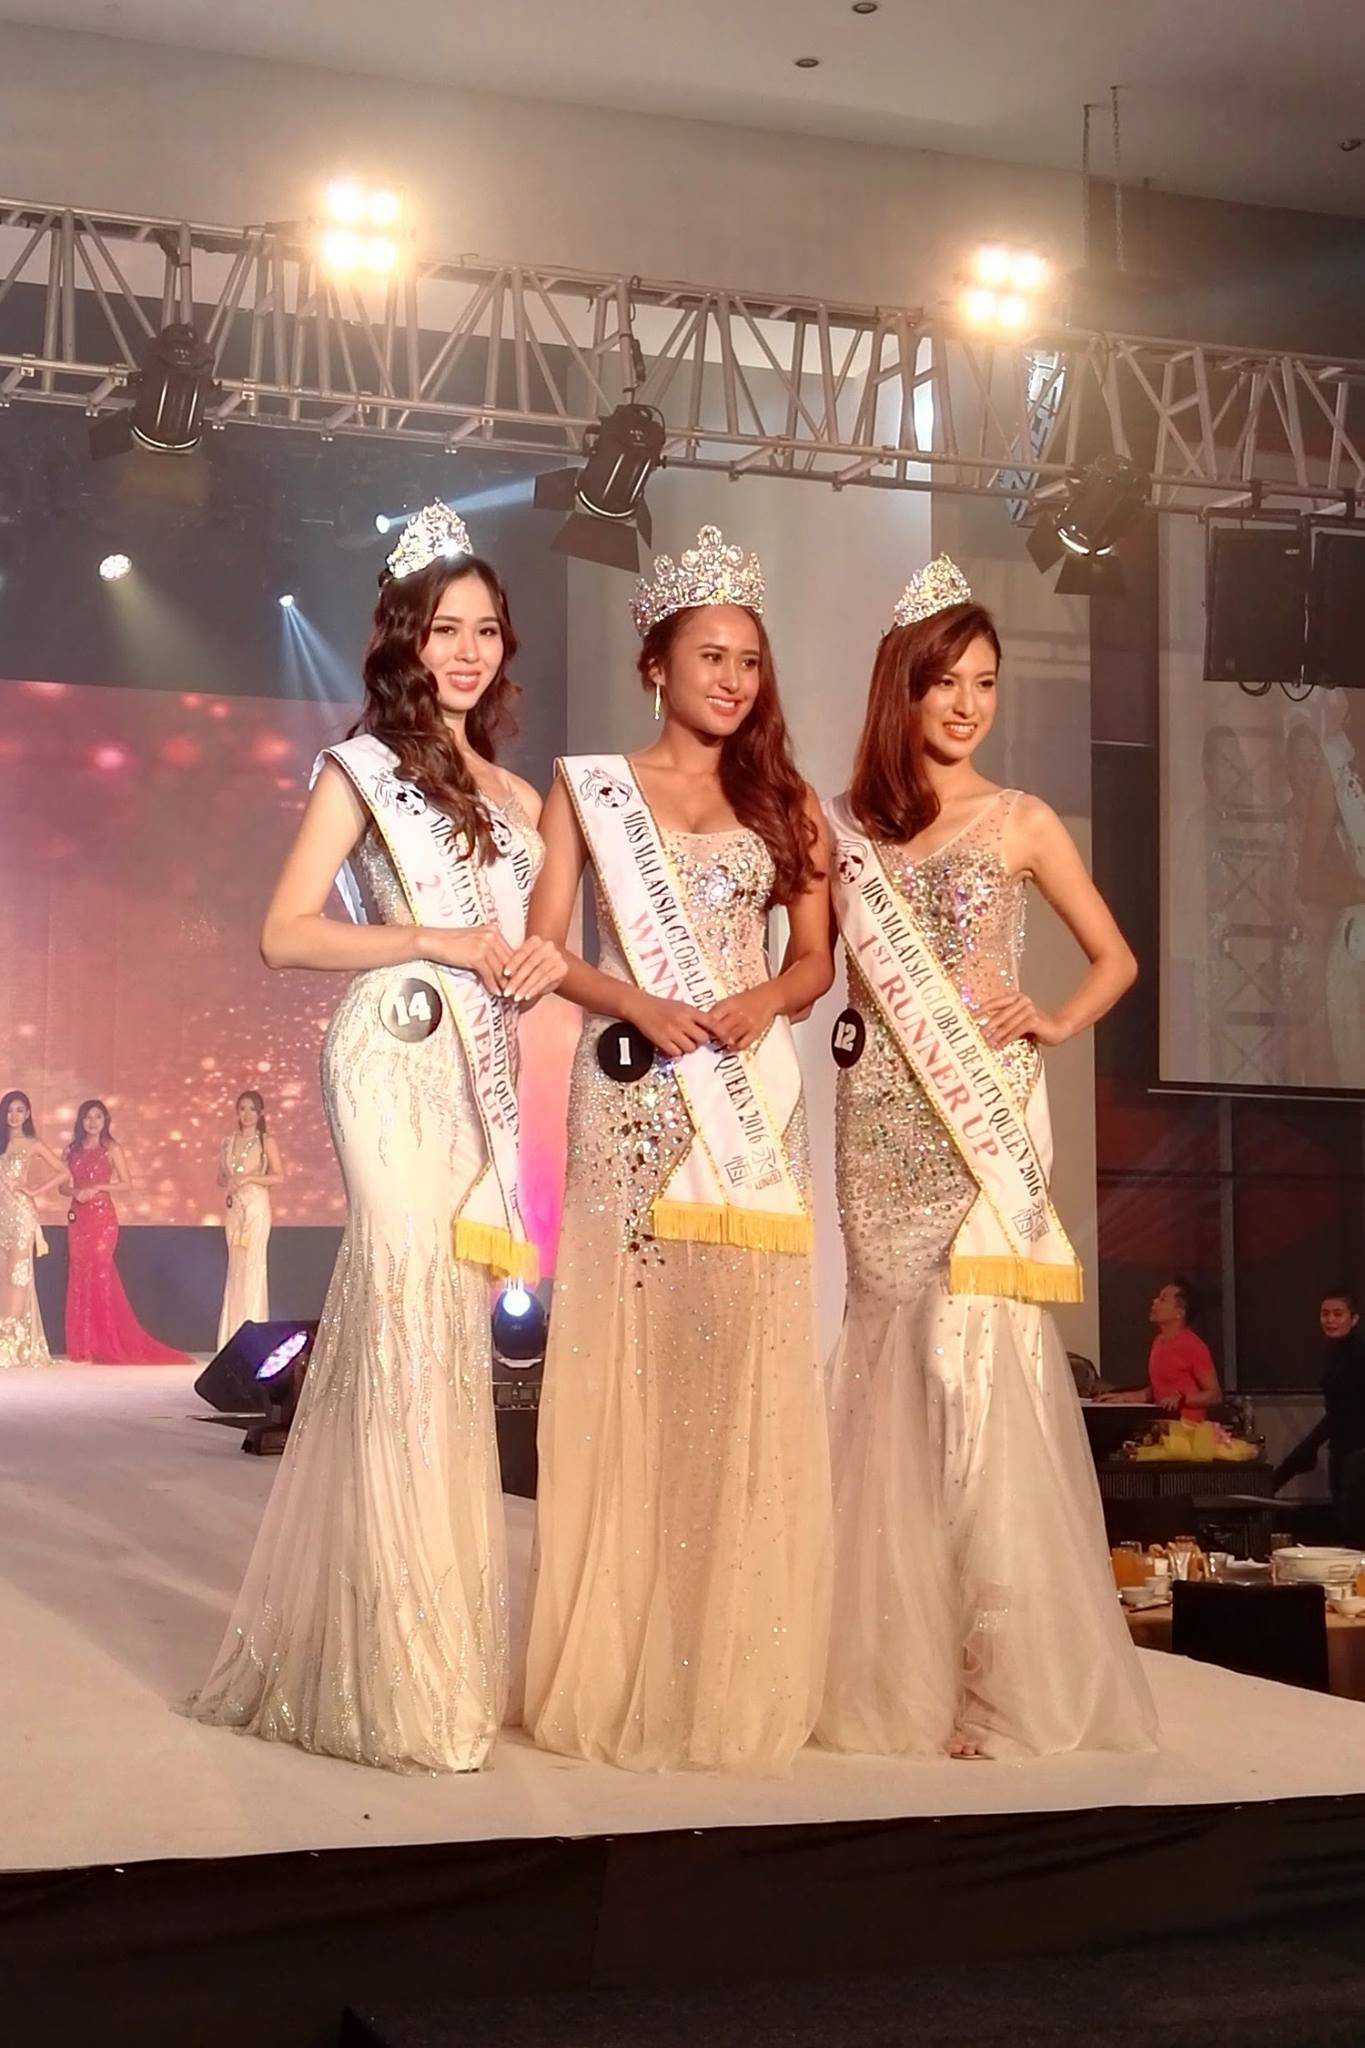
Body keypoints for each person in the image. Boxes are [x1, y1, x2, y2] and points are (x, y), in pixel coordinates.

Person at [191, 503, 563, 1775]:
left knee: (447, 1336)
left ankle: (429, 1643)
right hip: (392, 1051)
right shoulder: (363, 769)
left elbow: (532, 950)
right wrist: (432, 936)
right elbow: (285, 932)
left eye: (486, 629)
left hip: (479, 1076)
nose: (468, 650)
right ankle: (390, 1664)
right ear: (406, 639)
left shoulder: (520, 795)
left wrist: (536, 961)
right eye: (445, 628)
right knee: (401, 1310)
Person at [819, 556, 1156, 1761]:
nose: (967, 704)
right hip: (877, 1126)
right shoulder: (845, 827)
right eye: (946, 681)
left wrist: (1053, 1020)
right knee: (891, 1381)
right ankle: (898, 1672)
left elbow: (1115, 956)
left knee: (972, 1373)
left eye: (986, 682)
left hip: (980, 1128)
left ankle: (1001, 1679)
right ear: (901, 688)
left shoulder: (1022, 819)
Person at [522, 523, 835, 1774]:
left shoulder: (784, 799)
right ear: (655, 663)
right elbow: (547, 946)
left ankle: (726, 1659)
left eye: (749, 661)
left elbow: (814, 958)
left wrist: (765, 996)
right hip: (630, 1096)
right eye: (712, 655)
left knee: (737, 1364)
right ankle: (621, 1661)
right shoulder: (589, 785)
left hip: (746, 1098)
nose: (733, 680)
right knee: (631, 1366)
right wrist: (638, 1002)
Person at [61, 1100, 191, 1365]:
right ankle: (83, 1345)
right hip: (79, 1217)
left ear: (105, 1120)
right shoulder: (71, 1150)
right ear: (81, 1121)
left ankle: (106, 1341)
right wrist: (77, 1192)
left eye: (98, 1117)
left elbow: (127, 1183)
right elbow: (62, 1186)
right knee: (80, 1274)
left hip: (102, 1218)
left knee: (100, 1272)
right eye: (88, 1117)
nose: (93, 1122)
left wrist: (98, 1187)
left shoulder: (111, 1148)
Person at [1274, 1288, 1365, 1542]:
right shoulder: (1334, 1352)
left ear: (1354, 1319)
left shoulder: (1359, 1354)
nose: (1330, 1320)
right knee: (1345, 1523)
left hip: (1358, 1452)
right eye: (1325, 1314)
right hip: (1341, 1448)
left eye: (1338, 1314)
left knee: (1354, 1526)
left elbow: (1346, 1410)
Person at [0, 1090, 64, 1369]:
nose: (14, 1116)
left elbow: (64, 1172)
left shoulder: (32, 1144)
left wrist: (35, 1190)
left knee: (17, 1277)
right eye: (9, 1110)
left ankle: (9, 1345)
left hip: (20, 1215)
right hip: (0, 1216)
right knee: (3, 1278)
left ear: (27, 1114)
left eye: (20, 1110)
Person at [215, 1089, 284, 1347]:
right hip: (234, 1209)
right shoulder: (228, 1142)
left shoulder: (266, 1142)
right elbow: (220, 1177)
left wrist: (251, 1178)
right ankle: (231, 1336)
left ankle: (253, 1336)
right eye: (242, 1108)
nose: (247, 1114)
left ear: (260, 1113)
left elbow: (279, 1176)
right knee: (236, 1269)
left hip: (256, 1208)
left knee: (253, 1268)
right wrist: (229, 1180)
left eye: (252, 1109)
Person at [1103, 1279, 1222, 1419]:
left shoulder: (1193, 1346)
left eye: (1162, 1299)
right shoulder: (1159, 1341)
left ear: (1179, 1313)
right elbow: (1157, 1391)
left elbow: (1215, 1395)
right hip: (1162, 1422)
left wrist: (1184, 1399)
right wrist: (1122, 1398)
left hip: (1187, 1426)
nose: (1154, 1301)